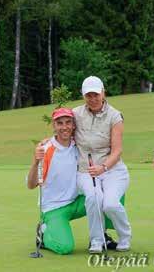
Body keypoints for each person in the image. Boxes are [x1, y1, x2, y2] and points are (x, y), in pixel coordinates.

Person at [74, 76, 132, 253]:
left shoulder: (115, 116)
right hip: (86, 170)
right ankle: (97, 240)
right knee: (93, 198)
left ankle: (125, 236)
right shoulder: (76, 113)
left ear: (103, 93)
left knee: (110, 204)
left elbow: (117, 151)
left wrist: (104, 167)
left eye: (95, 95)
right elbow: (62, 130)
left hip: (112, 169)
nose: (92, 99)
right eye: (88, 95)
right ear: (84, 96)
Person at [27, 108, 84, 255]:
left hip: (76, 202)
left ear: (73, 125)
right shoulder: (46, 149)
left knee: (106, 197)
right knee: (65, 248)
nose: (64, 127)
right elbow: (31, 185)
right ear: (54, 126)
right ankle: (44, 236)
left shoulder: (78, 144)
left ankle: (102, 236)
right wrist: (35, 162)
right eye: (60, 123)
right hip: (53, 207)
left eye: (68, 122)